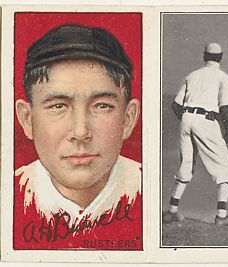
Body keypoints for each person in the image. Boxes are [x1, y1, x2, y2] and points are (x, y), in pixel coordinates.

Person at [14, 24, 141, 249]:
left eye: (102, 106)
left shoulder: (149, 188)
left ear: (128, 119)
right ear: (27, 119)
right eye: (58, 106)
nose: (81, 132)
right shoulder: (11, 192)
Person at [163, 43, 228, 226]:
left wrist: (188, 121)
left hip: (186, 119)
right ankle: (221, 216)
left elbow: (175, 105)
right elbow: (226, 107)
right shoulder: (223, 77)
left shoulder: (192, 75)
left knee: (187, 164)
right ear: (220, 57)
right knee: (224, 169)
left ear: (204, 56)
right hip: (206, 120)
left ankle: (172, 211)